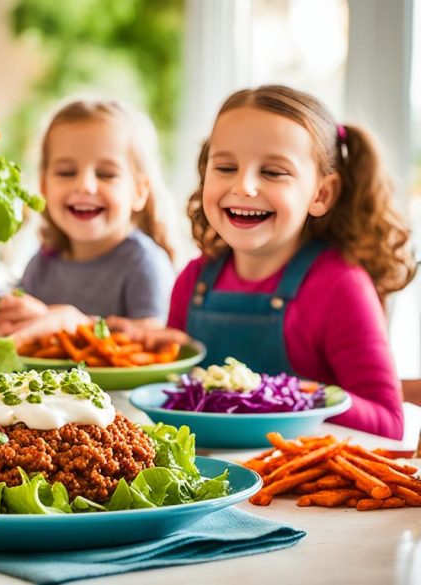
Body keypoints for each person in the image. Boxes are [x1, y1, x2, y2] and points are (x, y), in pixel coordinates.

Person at [148, 86, 414, 439]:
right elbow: (172, 393)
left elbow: (388, 421)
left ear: (321, 194)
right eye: (226, 167)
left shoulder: (341, 287)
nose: (244, 186)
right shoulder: (193, 280)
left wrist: (287, 396)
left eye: (273, 172)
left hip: (298, 488)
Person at [0, 99, 175, 342]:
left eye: (106, 174)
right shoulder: (41, 265)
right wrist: (10, 321)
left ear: (139, 191)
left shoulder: (145, 264)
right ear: (44, 187)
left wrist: (74, 323)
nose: (85, 186)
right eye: (66, 173)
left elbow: (157, 338)